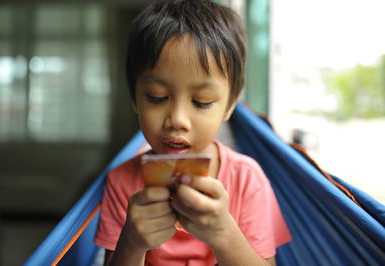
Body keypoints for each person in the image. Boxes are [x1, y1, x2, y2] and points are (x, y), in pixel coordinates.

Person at [94, 0, 291, 265]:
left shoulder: (246, 180)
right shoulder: (122, 182)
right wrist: (132, 242)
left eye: (201, 102)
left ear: (229, 106)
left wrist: (223, 234)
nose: (177, 120)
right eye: (157, 97)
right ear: (135, 98)